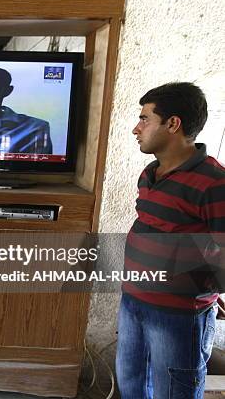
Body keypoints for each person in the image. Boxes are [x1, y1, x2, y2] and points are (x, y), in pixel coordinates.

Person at [116, 82, 224, 399]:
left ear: (172, 124)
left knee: (175, 391)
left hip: (179, 316)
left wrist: (195, 287)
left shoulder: (213, 183)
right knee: (131, 383)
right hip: (133, 302)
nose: (137, 129)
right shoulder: (150, 173)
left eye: (145, 118)